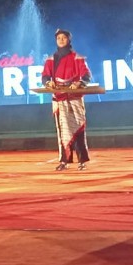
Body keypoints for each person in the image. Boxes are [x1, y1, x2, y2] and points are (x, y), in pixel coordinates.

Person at [41, 29, 92, 171]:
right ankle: (64, 161)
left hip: (75, 98)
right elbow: (45, 76)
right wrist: (48, 83)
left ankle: (82, 161)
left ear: (69, 40)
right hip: (59, 98)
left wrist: (79, 84)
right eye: (58, 38)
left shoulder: (78, 58)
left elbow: (86, 76)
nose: (61, 40)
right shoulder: (51, 60)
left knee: (78, 128)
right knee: (63, 130)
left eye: (64, 38)